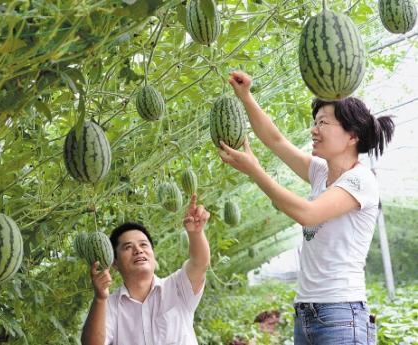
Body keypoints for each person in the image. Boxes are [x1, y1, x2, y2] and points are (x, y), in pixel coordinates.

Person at [218, 71, 394, 345]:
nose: (314, 130)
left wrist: (255, 170)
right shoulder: (321, 172)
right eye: (315, 122)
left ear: (352, 136)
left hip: (340, 315)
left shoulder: (361, 180)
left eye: (323, 122)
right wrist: (246, 97)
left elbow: (307, 213)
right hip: (307, 313)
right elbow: (276, 141)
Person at [81, 193, 210, 345]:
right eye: (128, 247)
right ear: (114, 262)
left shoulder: (177, 287)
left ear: (153, 254)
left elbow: (200, 263)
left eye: (143, 244)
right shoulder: (108, 306)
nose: (138, 250)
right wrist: (100, 299)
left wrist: (196, 233)